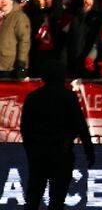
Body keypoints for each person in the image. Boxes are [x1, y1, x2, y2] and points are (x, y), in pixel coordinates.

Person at [20, 61, 94, 210]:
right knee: (57, 199)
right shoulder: (68, 97)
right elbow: (80, 125)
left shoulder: (33, 97)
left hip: (39, 154)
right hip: (61, 153)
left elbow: (25, 128)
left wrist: (31, 149)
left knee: (33, 197)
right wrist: (89, 151)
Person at [0, 0, 31, 78]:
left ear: (12, 1)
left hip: (10, 66)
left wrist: (21, 63)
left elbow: (24, 41)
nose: (3, 1)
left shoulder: (19, 17)